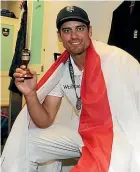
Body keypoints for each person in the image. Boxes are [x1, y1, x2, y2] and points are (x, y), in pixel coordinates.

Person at [2, 5, 140, 172]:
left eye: (79, 28)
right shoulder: (61, 69)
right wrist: (31, 94)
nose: (74, 36)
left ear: (89, 31)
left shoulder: (116, 60)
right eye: (67, 30)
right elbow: (44, 121)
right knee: (25, 141)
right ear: (59, 36)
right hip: (81, 133)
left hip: (117, 135)